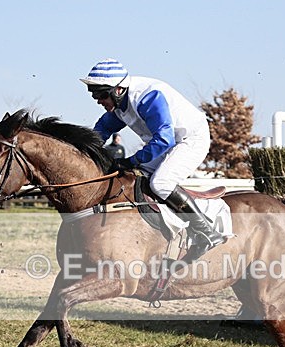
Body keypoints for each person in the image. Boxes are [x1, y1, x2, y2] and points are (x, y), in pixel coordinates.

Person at [81, 58, 225, 261]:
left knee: (160, 183)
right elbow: (102, 130)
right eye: (93, 94)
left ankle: (206, 231)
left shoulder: (147, 97)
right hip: (166, 142)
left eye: (101, 94)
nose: (98, 100)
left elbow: (164, 140)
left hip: (190, 139)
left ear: (118, 90)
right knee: (131, 178)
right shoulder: (120, 104)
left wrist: (132, 160)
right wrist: (83, 150)